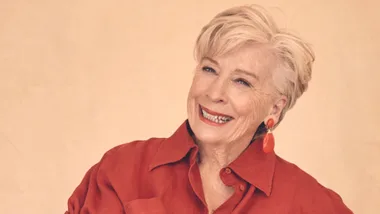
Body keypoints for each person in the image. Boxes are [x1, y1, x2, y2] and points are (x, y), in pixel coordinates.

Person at [66, 4, 353, 214]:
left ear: (275, 107)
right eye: (209, 69)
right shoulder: (122, 169)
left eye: (242, 82)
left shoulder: (312, 204)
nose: (214, 92)